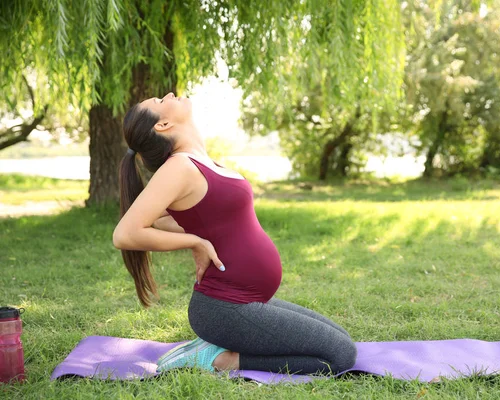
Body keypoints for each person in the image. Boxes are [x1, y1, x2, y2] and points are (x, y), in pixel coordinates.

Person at [112, 92, 357, 375]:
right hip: (223, 309)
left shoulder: (198, 162)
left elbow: (170, 219)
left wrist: (197, 232)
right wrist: (194, 241)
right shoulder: (179, 167)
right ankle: (219, 360)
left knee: (340, 338)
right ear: (162, 125)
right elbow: (126, 234)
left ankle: (211, 347)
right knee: (341, 356)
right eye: (158, 101)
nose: (168, 94)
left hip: (242, 301)